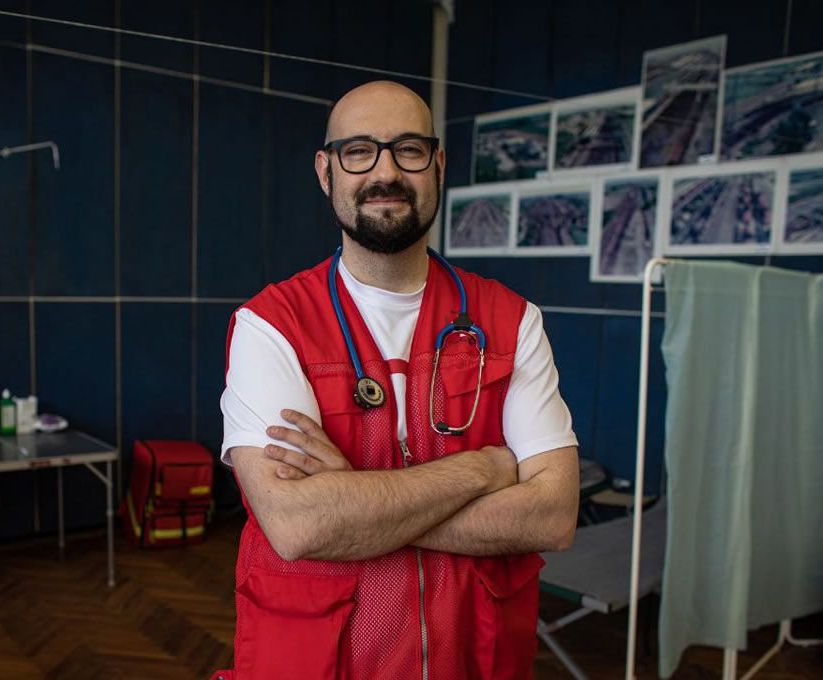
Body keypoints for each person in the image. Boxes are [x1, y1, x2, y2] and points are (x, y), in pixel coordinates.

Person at [213, 80, 580, 680]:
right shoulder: (270, 326)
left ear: (437, 166)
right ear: (325, 170)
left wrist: (359, 504)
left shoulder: (512, 321)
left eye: (408, 149)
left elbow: (552, 515)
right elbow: (299, 523)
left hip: (472, 661)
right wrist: (484, 470)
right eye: (359, 151)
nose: (385, 172)